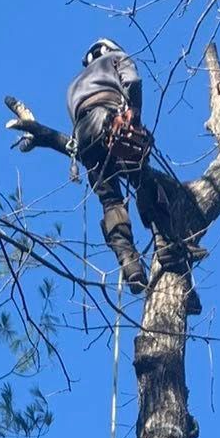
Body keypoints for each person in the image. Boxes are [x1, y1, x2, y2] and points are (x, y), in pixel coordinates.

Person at [68, 38, 153, 292]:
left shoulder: (74, 85)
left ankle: (129, 262)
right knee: (143, 181)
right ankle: (168, 245)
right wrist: (134, 112)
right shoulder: (115, 58)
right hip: (108, 120)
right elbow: (133, 81)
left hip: (84, 137)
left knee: (111, 201)